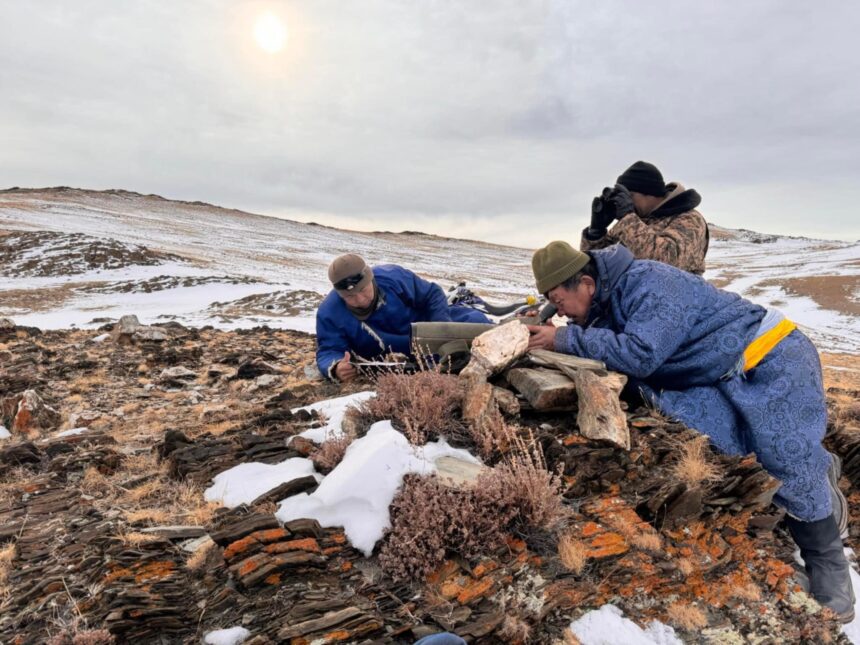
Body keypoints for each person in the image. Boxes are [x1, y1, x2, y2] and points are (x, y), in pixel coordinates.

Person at [526, 240, 854, 622]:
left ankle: (827, 561)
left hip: (773, 356)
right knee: (722, 439)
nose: (559, 311)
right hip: (719, 372)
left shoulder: (650, 283)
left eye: (557, 298)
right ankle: (820, 467)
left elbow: (641, 354)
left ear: (586, 283)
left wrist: (563, 339)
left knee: (785, 453)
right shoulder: (603, 301)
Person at [316, 253, 490, 382]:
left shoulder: (393, 276)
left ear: (371, 278)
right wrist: (337, 367)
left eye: (362, 290)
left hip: (429, 334)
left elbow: (432, 294)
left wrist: (442, 332)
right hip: (390, 359)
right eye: (350, 297)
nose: (360, 300)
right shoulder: (329, 312)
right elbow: (329, 350)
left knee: (479, 323)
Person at [581, 161, 709, 275]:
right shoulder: (631, 223)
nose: (625, 202)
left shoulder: (689, 219)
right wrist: (596, 232)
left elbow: (667, 262)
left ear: (648, 193)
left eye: (628, 196)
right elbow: (596, 270)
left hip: (679, 298)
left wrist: (627, 218)